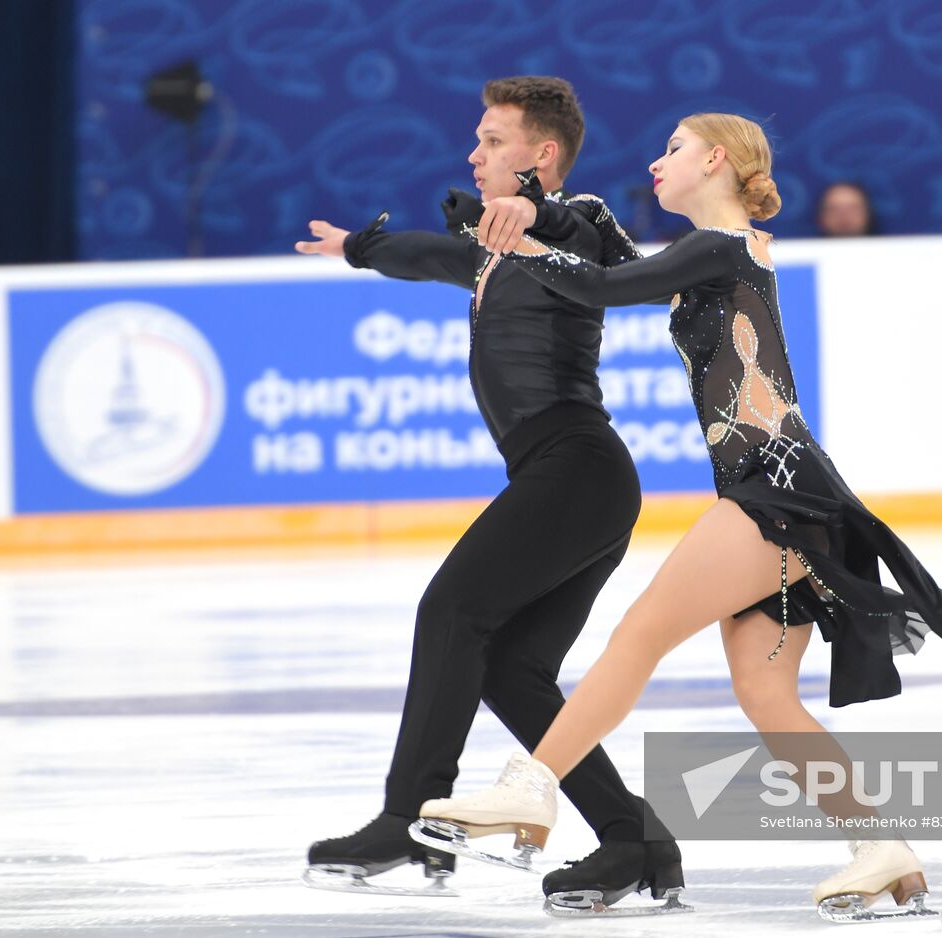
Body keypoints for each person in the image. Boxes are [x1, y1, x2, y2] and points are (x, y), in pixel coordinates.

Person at [415, 113, 942, 922]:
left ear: (716, 159)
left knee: (640, 633)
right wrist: (549, 217)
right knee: (766, 695)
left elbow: (598, 286)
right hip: (795, 491)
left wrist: (516, 244)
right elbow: (621, 265)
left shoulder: (723, 247)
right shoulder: (717, 253)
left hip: (771, 490)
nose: (656, 163)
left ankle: (532, 788)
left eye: (674, 150)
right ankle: (879, 845)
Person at [293, 76, 684, 915]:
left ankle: (408, 818)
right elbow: (429, 256)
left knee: (451, 611)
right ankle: (632, 838)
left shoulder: (575, 226)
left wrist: (535, 208)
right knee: (511, 671)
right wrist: (359, 247)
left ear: (542, 154)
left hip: (576, 470)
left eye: (493, 141)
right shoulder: (493, 251)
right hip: (573, 481)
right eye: (476, 140)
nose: (474, 155)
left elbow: (582, 233)